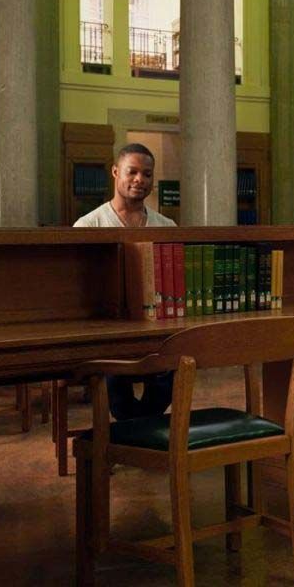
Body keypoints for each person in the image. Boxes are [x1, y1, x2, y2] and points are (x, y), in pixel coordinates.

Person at [74, 143, 176, 420]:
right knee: (114, 378)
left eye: (147, 174)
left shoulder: (167, 228)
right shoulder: (88, 226)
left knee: (173, 367)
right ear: (116, 172)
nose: (139, 180)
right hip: (106, 331)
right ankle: (137, 430)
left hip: (155, 329)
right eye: (132, 172)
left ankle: (135, 430)